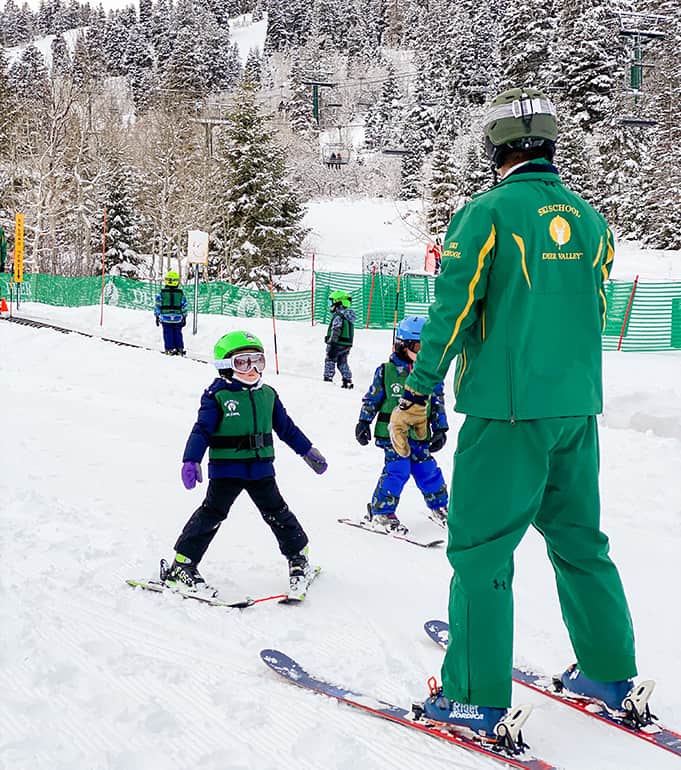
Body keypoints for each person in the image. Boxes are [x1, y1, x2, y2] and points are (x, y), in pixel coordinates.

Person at [389, 87, 641, 741]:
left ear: (494, 153)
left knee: (479, 552)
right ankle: (609, 674)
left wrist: (416, 393)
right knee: (580, 543)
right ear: (548, 150)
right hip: (575, 410)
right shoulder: (590, 221)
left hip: (505, 414)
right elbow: (592, 305)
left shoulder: (486, 213)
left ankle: (471, 697)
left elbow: (451, 309)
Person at [164, 330, 328, 598]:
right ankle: (182, 566)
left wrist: (307, 451)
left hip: (261, 469)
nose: (252, 369)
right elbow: (201, 430)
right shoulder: (216, 396)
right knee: (211, 514)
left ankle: (299, 556)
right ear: (226, 365)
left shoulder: (268, 395)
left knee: (278, 512)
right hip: (227, 469)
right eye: (242, 362)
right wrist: (191, 459)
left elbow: (286, 429)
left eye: (258, 361)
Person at [355, 316, 448, 533]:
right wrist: (363, 422)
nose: (424, 352)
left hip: (420, 433)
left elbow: (437, 403)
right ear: (403, 345)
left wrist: (441, 429)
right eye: (418, 346)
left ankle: (440, 506)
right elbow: (372, 399)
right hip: (392, 434)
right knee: (398, 468)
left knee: (427, 469)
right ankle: (381, 512)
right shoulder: (386, 371)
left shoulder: (430, 374)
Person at [324, 289, 356, 389]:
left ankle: (328, 378)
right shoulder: (348, 316)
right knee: (342, 362)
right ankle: (347, 380)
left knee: (330, 359)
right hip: (346, 344)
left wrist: (332, 343)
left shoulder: (339, 316)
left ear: (338, 303)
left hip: (337, 343)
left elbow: (336, 329)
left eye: (331, 302)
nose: (330, 306)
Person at [154, 270, 187, 355]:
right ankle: (179, 348)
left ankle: (170, 348)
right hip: (178, 317)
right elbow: (184, 305)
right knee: (178, 332)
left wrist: (157, 315)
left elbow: (158, 305)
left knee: (168, 332)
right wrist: (184, 316)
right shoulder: (180, 293)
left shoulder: (162, 293)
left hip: (165, 317)